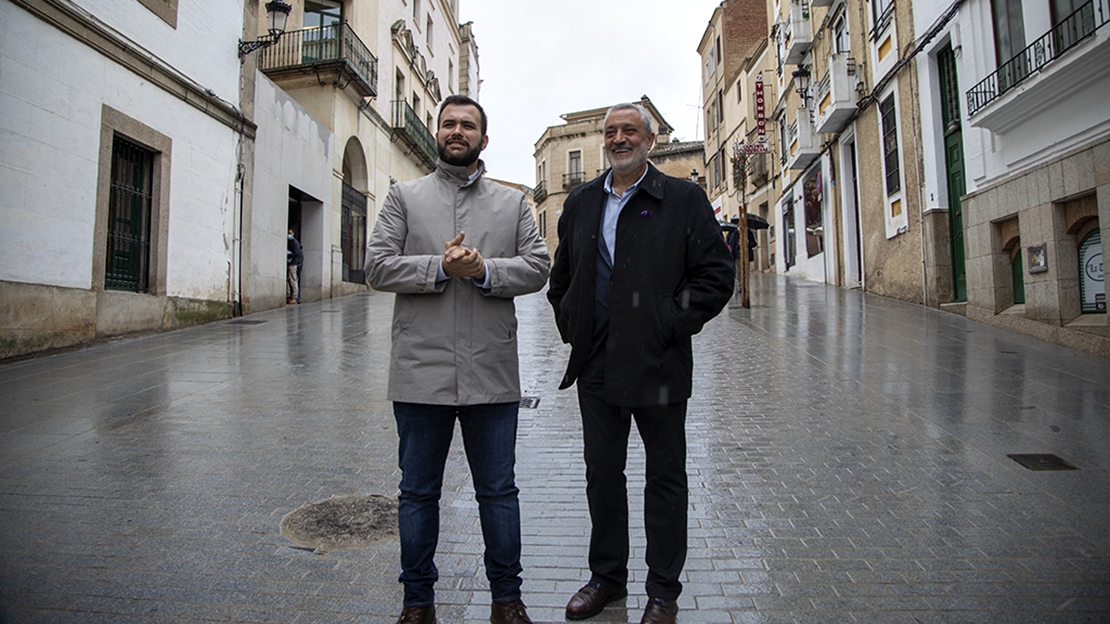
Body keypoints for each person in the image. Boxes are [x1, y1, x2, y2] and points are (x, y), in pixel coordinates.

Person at [547, 102, 734, 624]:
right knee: (602, 475)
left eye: (630, 130)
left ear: (650, 141)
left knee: (666, 478)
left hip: (658, 363)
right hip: (598, 366)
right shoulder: (582, 203)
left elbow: (717, 275)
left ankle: (662, 591)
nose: (619, 138)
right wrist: (573, 327)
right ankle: (606, 578)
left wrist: (669, 323)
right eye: (610, 132)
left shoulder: (682, 199)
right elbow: (561, 279)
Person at [365, 94, 549, 624]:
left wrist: (484, 270)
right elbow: (376, 267)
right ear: (436, 133)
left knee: (499, 493)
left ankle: (506, 600)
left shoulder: (513, 205)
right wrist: (442, 267)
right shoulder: (404, 197)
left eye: (468, 125)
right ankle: (417, 603)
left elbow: (537, 268)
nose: (456, 131)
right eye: (448, 123)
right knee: (417, 494)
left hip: (491, 375)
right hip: (420, 374)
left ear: (483, 140)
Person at [287, 230, 303, 304]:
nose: (288, 234)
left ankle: (294, 296)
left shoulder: (294, 242)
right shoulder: (289, 242)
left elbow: (296, 253)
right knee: (290, 279)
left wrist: (288, 256)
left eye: (290, 233)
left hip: (293, 263)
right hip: (290, 262)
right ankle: (290, 295)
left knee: (293, 279)